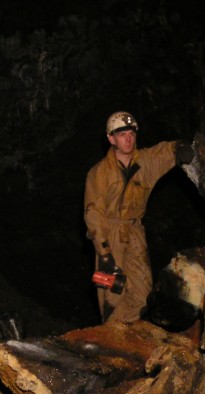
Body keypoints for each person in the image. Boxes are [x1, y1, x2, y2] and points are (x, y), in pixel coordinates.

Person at [84, 111, 194, 323]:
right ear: (111, 138)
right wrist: (104, 252)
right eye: (122, 134)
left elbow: (162, 152)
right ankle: (114, 338)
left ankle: (132, 334)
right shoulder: (98, 173)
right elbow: (93, 213)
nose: (128, 139)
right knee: (112, 295)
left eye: (131, 133)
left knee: (143, 293)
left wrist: (178, 147)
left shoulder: (145, 162)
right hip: (110, 233)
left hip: (135, 231)